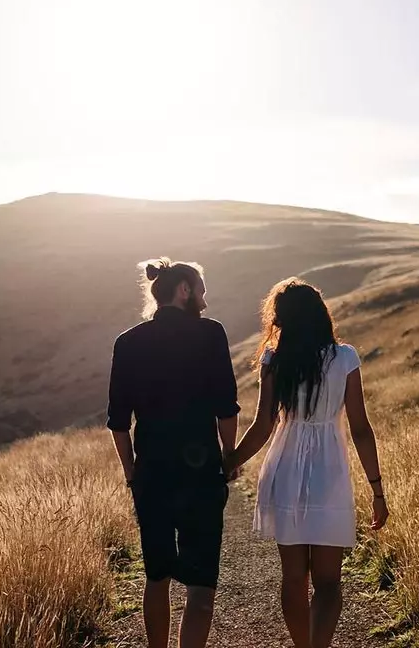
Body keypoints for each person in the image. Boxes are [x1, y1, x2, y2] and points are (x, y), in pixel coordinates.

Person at [225, 277, 389, 648]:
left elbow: (264, 424)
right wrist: (377, 490)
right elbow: (361, 429)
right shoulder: (344, 357)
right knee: (329, 583)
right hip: (329, 472)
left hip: (284, 468)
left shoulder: (274, 359)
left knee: (294, 577)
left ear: (281, 319)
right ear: (320, 315)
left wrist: (231, 460)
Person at [107, 257, 240, 648]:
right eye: (200, 289)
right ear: (183, 290)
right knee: (200, 586)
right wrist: (229, 456)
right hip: (200, 478)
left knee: (156, 576)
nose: (204, 297)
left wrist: (133, 472)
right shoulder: (211, 334)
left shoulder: (127, 342)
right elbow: (226, 407)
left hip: (152, 475)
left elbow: (118, 421)